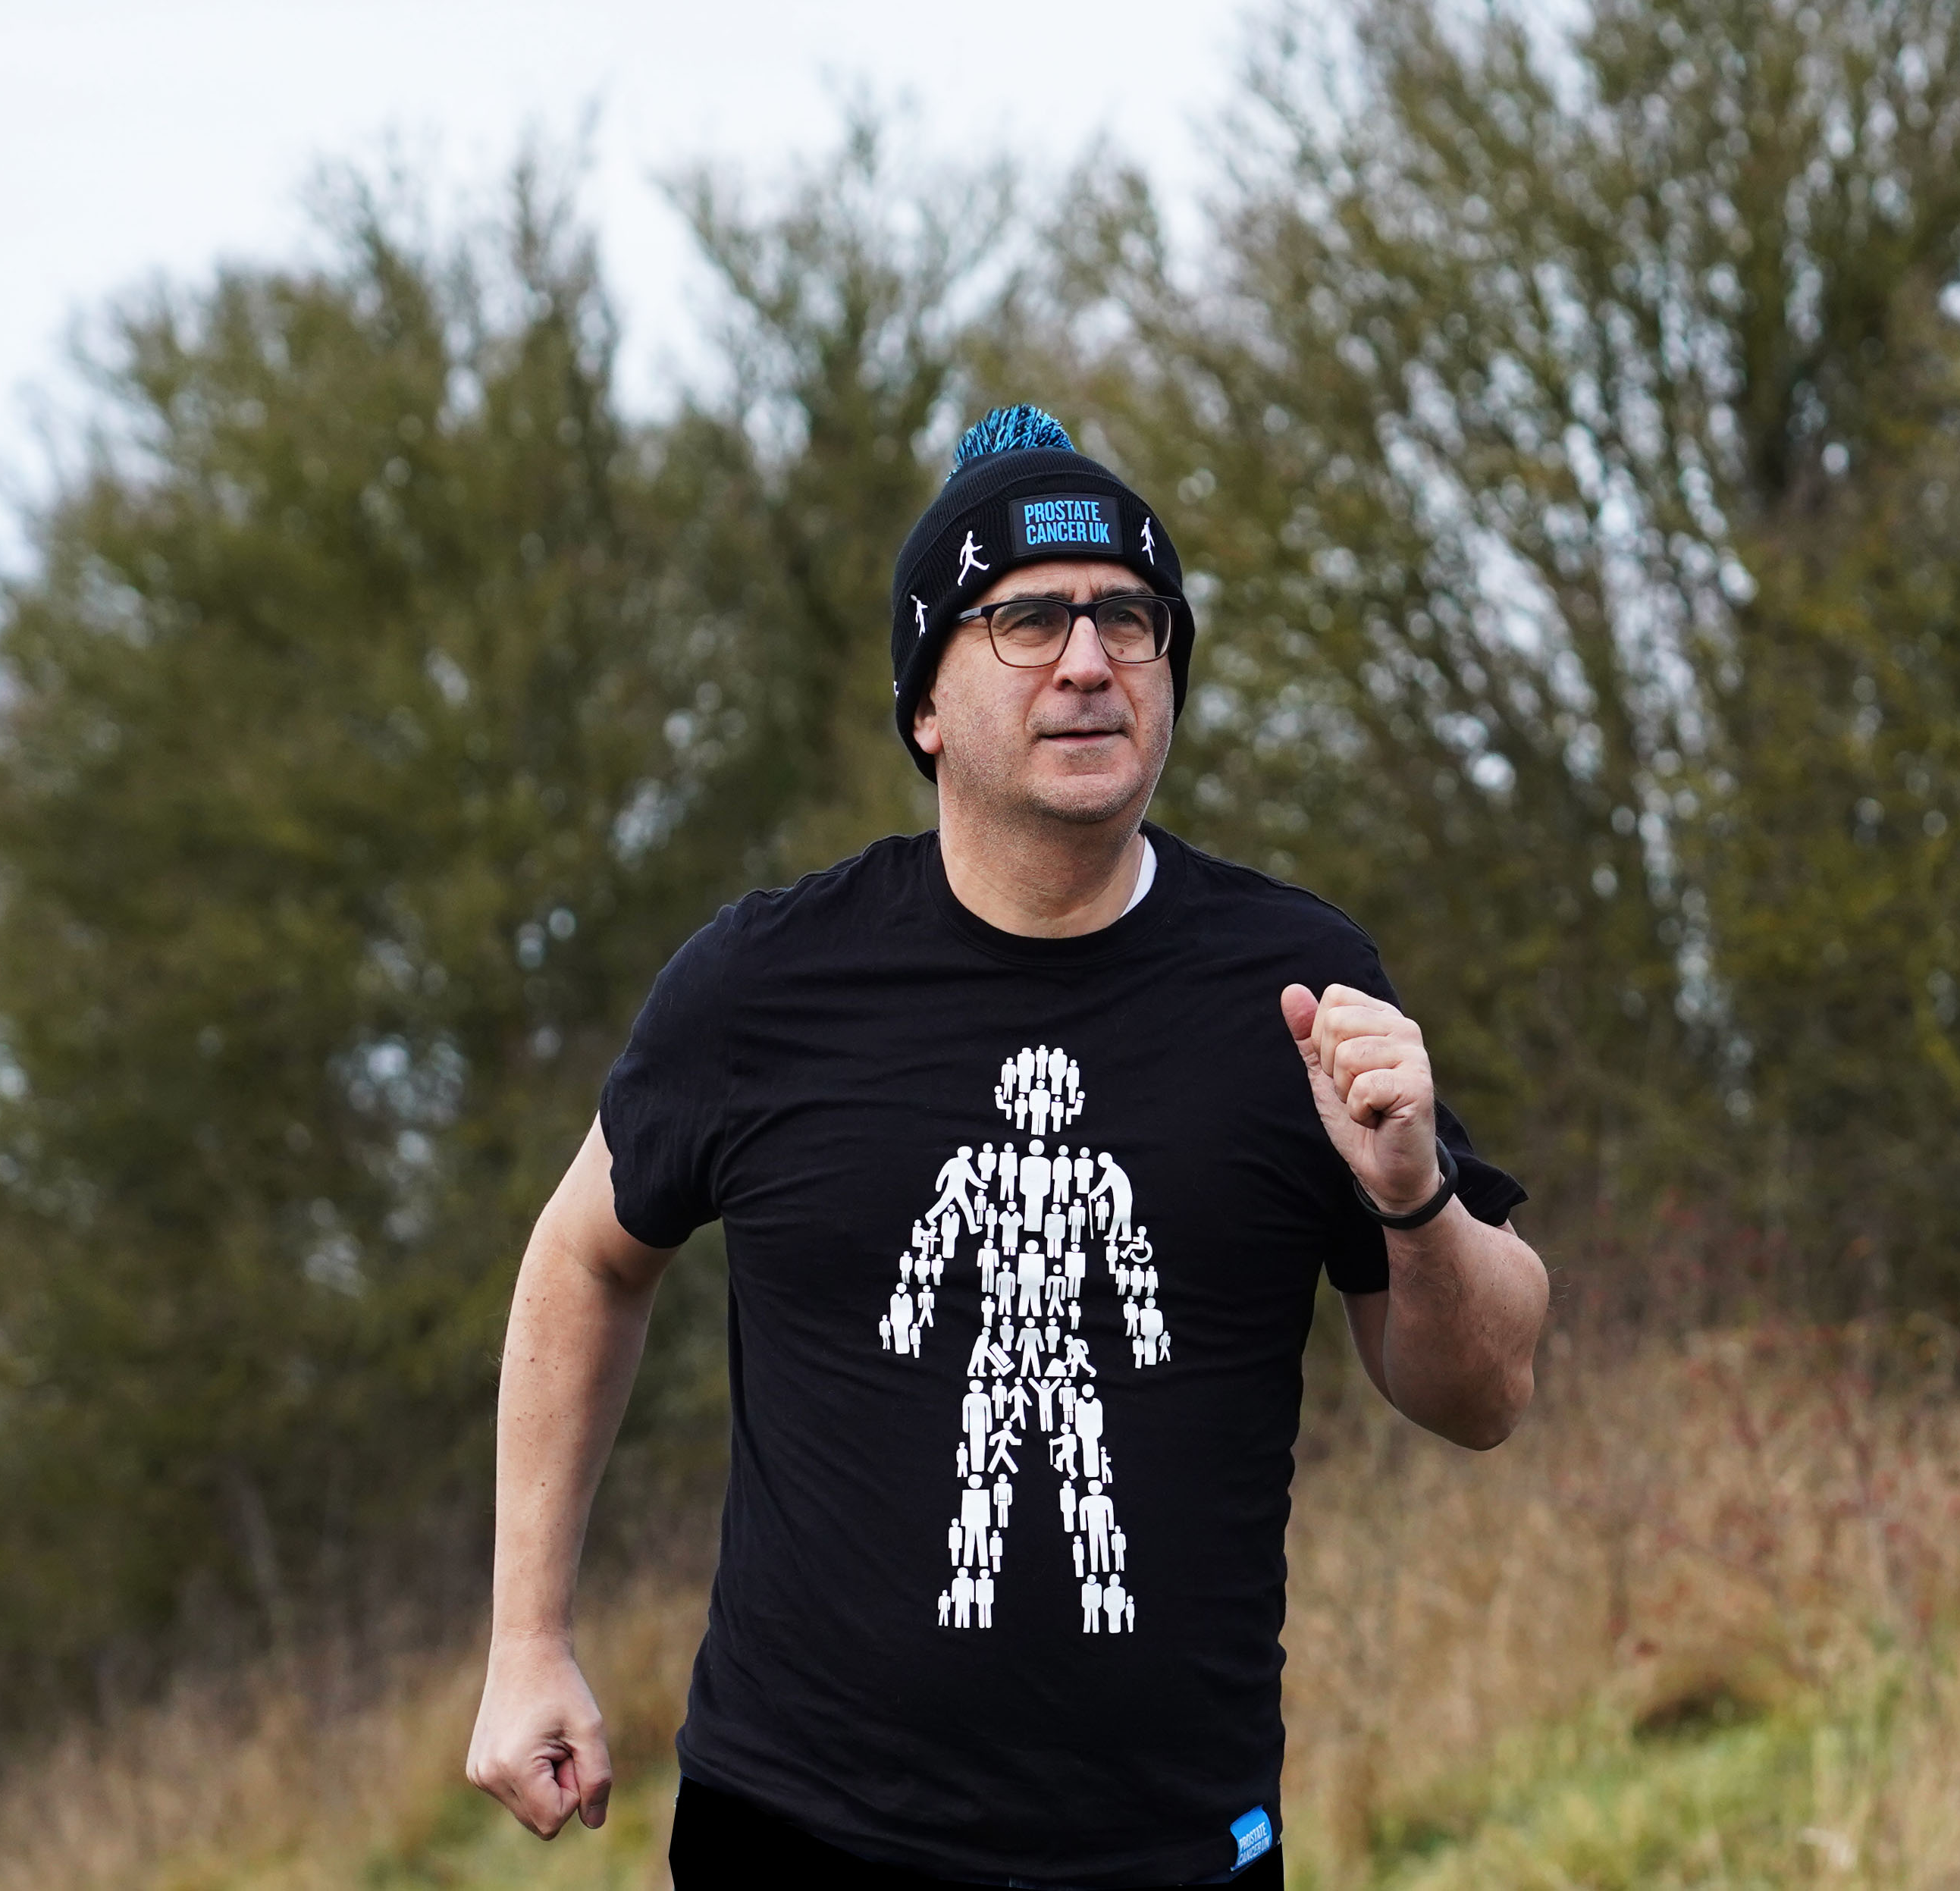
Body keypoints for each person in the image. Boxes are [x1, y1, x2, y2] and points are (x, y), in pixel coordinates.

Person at [465, 404, 1551, 1887]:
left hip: (1170, 1848)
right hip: (800, 1830)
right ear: (924, 701)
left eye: (1129, 619)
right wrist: (527, 1641)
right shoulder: (769, 985)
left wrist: (1414, 1197)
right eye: (1027, 622)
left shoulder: (1295, 986)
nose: (1091, 662)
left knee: (1079, 1487)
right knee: (996, 1482)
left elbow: (1484, 1394)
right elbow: (586, 1254)